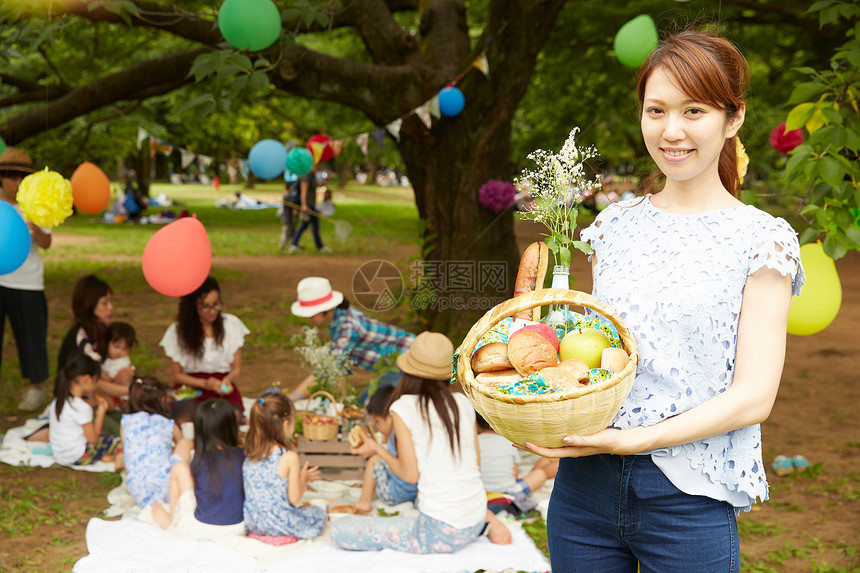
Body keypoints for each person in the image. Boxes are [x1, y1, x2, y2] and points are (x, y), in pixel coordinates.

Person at [520, 30, 805, 572]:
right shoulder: (612, 227)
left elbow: (754, 397)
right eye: (657, 110)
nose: (672, 131)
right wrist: (541, 403)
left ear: (733, 117)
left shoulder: (763, 240)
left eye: (693, 110)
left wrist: (635, 442)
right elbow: (602, 354)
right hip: (583, 493)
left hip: (689, 498)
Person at [330, 332, 511, 553]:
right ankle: (489, 521)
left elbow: (409, 475)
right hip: (474, 517)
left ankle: (483, 524)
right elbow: (474, 466)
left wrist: (377, 449)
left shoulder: (403, 407)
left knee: (339, 530)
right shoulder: (462, 402)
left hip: (438, 532)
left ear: (408, 371)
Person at [290, 277, 415, 403]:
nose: (309, 317)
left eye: (312, 312)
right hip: (394, 363)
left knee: (369, 404)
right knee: (366, 402)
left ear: (326, 308)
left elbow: (327, 370)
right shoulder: (340, 315)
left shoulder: (347, 326)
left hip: (407, 360)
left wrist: (292, 398)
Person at [148, 399, 246, 539]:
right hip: (239, 528)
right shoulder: (243, 455)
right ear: (232, 426)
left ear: (199, 429)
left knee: (178, 468)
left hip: (201, 530)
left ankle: (172, 521)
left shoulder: (199, 459)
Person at [0, 147, 52, 411]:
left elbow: (46, 243)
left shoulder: (36, 204)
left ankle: (37, 388)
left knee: (32, 338)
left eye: (21, 177)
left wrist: (37, 227)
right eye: (10, 176)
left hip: (27, 282)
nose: (15, 182)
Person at [159, 276, 249, 422]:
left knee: (230, 418)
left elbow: (236, 369)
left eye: (216, 304)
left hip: (221, 387)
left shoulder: (230, 325)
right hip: (191, 388)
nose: (212, 311)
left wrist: (227, 381)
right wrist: (204, 384)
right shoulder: (178, 331)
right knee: (185, 418)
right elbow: (176, 375)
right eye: (205, 306)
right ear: (193, 306)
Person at [242, 392, 327, 539]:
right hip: (279, 526)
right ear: (285, 424)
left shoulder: (251, 452)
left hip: (254, 523)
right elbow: (294, 498)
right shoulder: (288, 457)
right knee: (318, 513)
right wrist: (302, 477)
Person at [57, 274, 134, 397]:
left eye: (110, 301)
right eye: (105, 303)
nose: (111, 307)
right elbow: (94, 383)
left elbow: (119, 355)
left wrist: (130, 370)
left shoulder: (103, 329)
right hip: (79, 402)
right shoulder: (81, 339)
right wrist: (133, 392)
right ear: (89, 305)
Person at [121, 376, 192, 509]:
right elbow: (181, 447)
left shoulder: (126, 422)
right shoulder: (169, 424)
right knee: (186, 443)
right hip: (168, 490)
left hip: (138, 492)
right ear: (163, 400)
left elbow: (127, 456)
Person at [48, 352, 121, 466]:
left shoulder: (57, 401)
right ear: (87, 378)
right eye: (96, 380)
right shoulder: (81, 407)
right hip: (79, 456)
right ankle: (109, 458)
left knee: (105, 437)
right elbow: (93, 440)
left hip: (61, 456)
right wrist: (100, 414)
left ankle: (105, 456)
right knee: (119, 441)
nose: (97, 385)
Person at [476, 413, 557, 515]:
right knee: (542, 473)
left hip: (485, 494)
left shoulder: (474, 443)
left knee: (542, 467)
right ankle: (562, 461)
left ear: (475, 424)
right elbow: (514, 475)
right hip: (509, 493)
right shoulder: (507, 442)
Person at [354, 384, 417, 513]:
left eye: (377, 421)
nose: (377, 427)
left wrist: (376, 449)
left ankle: (364, 501)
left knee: (374, 460)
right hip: (413, 494)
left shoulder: (396, 435)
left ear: (390, 417)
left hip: (394, 496)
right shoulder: (409, 431)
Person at [288, 164, 332, 253]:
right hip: (308, 206)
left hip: (311, 205)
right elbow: (303, 192)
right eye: (315, 165)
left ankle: (294, 244)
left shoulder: (312, 175)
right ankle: (319, 246)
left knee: (305, 225)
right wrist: (304, 205)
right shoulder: (306, 175)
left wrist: (326, 179)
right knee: (310, 225)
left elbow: (318, 185)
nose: (317, 167)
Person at [278, 176, 299, 251]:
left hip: (289, 218)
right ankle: (281, 245)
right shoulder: (287, 197)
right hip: (287, 218)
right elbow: (292, 204)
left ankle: (293, 244)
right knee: (285, 232)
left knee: (292, 231)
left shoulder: (287, 196)